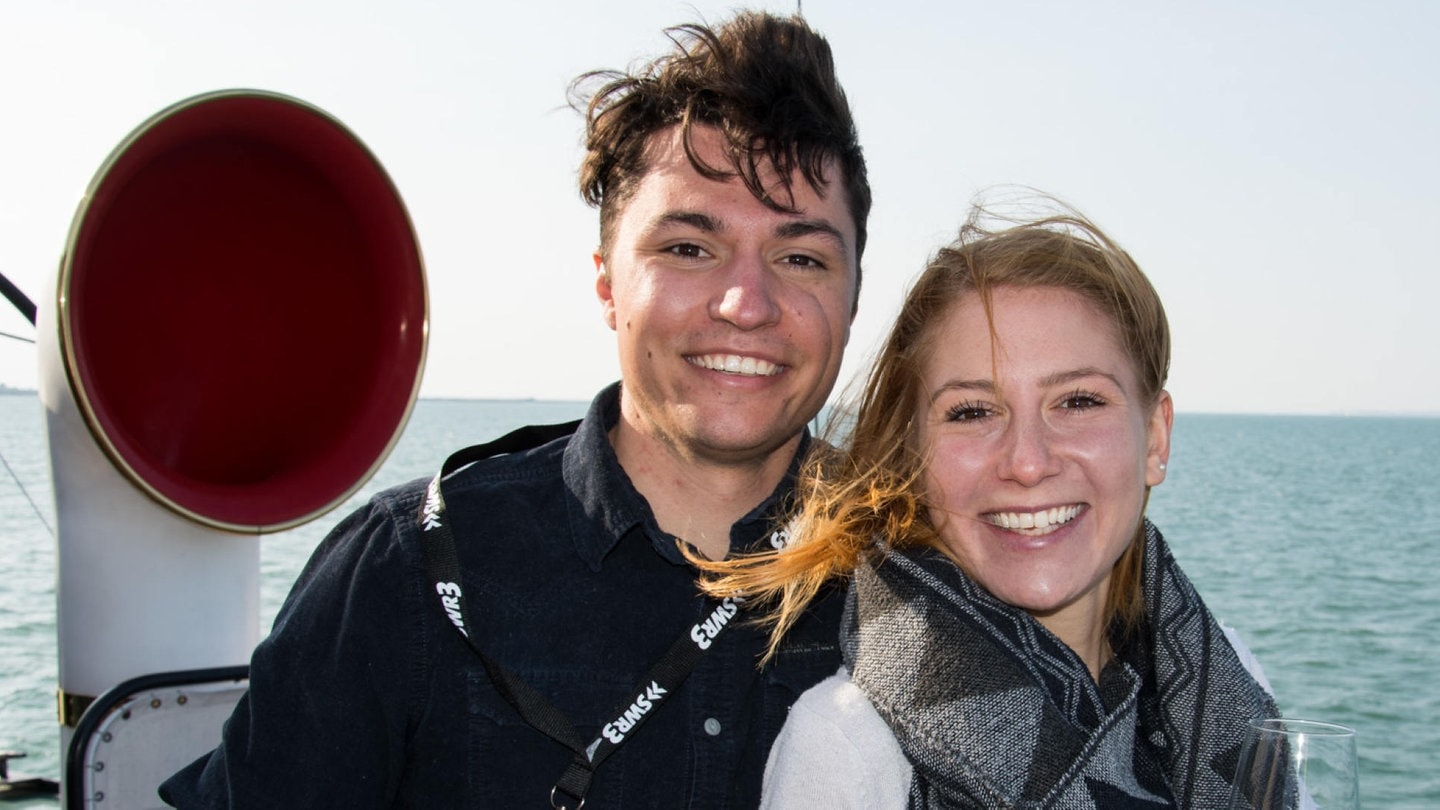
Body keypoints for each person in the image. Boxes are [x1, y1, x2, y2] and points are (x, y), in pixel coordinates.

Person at [160, 10, 869, 808]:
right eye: (688, 249)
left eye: (800, 256)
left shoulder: (923, 576)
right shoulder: (410, 570)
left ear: (851, 301)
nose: (746, 304)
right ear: (608, 283)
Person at [698, 200, 1279, 808]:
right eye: (973, 412)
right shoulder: (849, 751)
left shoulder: (1230, 684)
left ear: (1155, 438)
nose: (1028, 462)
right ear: (914, 458)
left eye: (1079, 401)